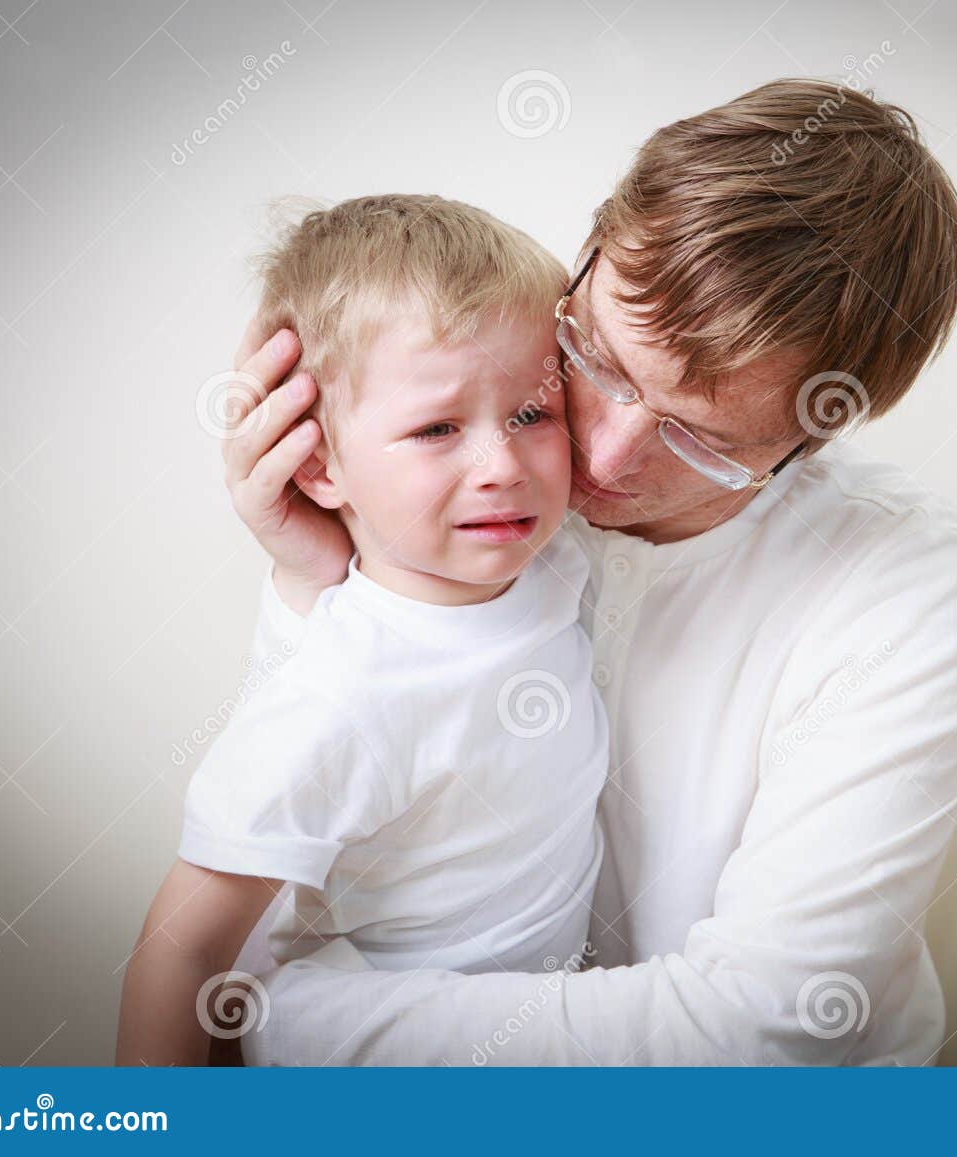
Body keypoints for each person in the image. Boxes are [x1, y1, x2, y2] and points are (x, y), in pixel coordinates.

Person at [223, 78, 957, 1065]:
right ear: (587, 253)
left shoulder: (911, 594)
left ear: (808, 437)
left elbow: (763, 1033)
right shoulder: (485, 493)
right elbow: (282, 885)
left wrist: (274, 1020)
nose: (598, 456)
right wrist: (314, 585)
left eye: (700, 435)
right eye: (594, 356)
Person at [115, 195, 608, 1066]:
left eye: (534, 414)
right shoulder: (341, 692)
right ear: (317, 463)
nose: (503, 467)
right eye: (436, 428)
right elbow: (179, 950)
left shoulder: (560, 561)